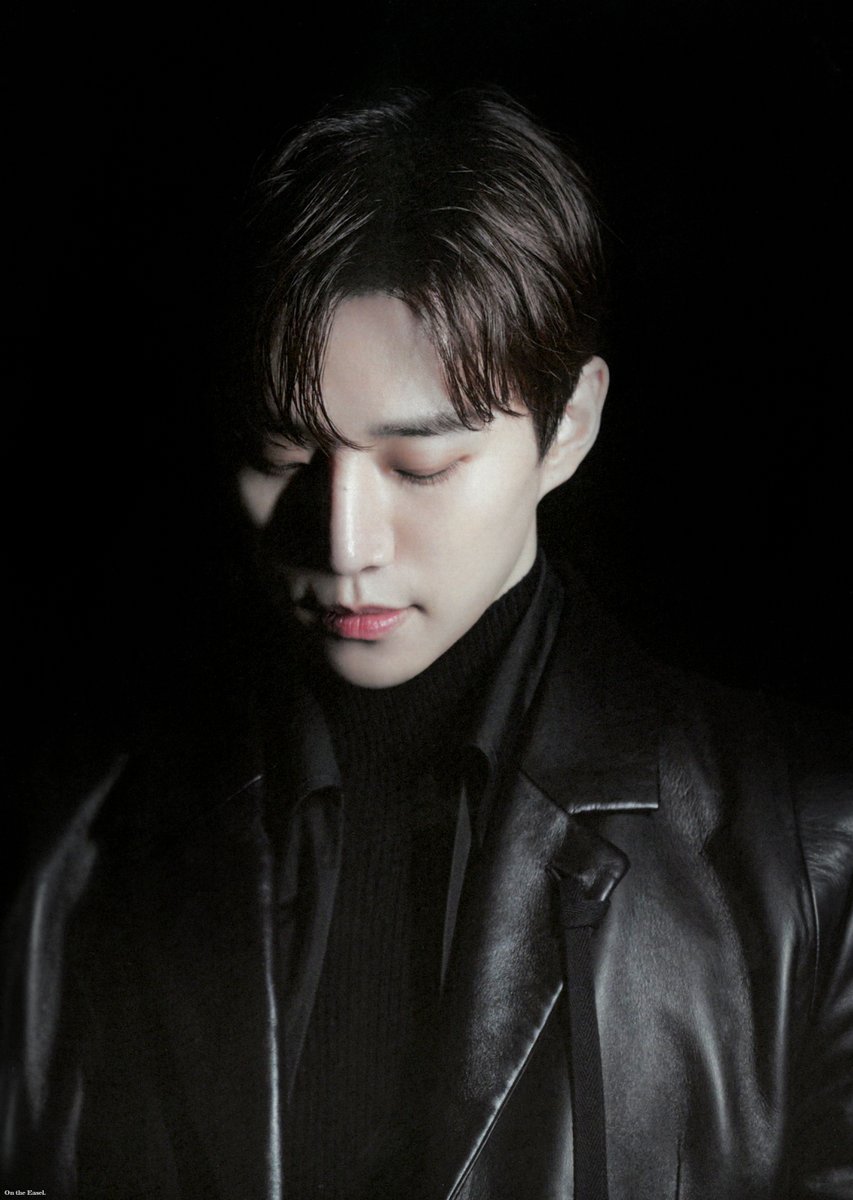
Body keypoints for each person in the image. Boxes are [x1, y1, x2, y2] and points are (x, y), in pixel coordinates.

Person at [2, 87, 851, 1200]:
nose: (343, 544)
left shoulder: (813, 850)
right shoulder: (67, 846)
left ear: (570, 426)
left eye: (421, 467)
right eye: (281, 455)